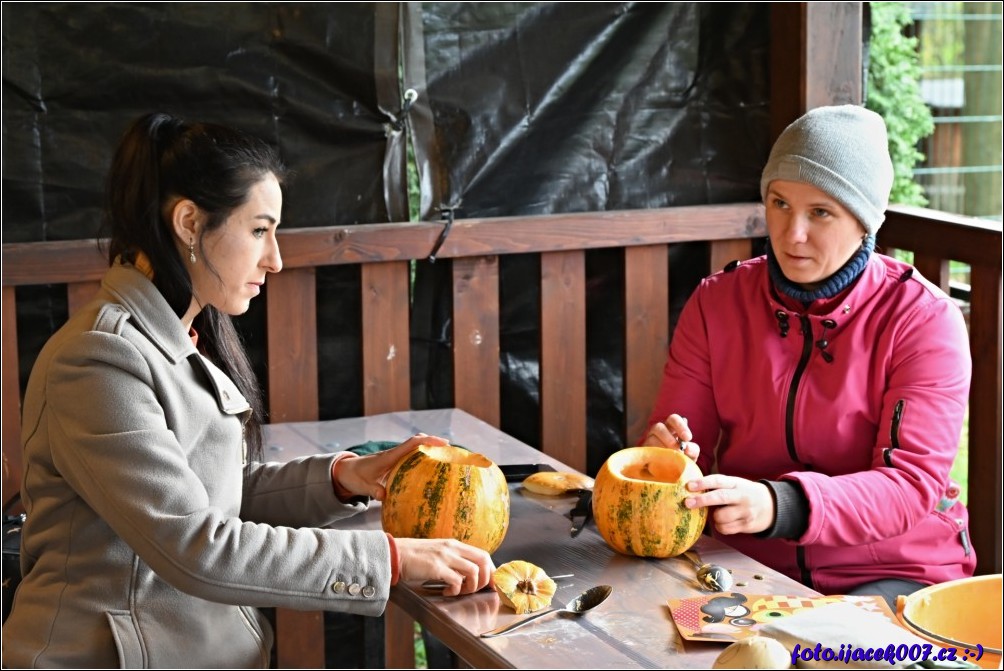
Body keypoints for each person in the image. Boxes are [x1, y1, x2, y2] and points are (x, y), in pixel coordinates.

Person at [2, 112, 494, 668]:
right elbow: (197, 544)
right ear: (189, 222)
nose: (275, 259)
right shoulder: (97, 361)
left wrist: (344, 478)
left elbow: (216, 492)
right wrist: (390, 560)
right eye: (260, 230)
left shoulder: (183, 334)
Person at [643, 105, 975, 607]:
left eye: (820, 212)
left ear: (864, 221)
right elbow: (680, 447)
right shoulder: (717, 301)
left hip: (895, 569)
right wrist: (667, 455)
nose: (791, 233)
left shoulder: (923, 319)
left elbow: (909, 485)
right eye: (779, 203)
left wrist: (781, 504)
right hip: (748, 569)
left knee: (830, 650)